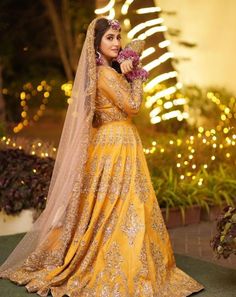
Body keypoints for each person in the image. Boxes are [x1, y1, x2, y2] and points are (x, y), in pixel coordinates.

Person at [0, 16, 204, 296]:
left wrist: (127, 70)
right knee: (124, 205)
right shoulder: (106, 74)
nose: (117, 43)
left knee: (114, 208)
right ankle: (130, 265)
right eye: (110, 38)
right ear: (96, 44)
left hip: (112, 143)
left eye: (118, 37)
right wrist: (135, 75)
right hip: (117, 144)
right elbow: (133, 105)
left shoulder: (103, 72)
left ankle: (133, 260)